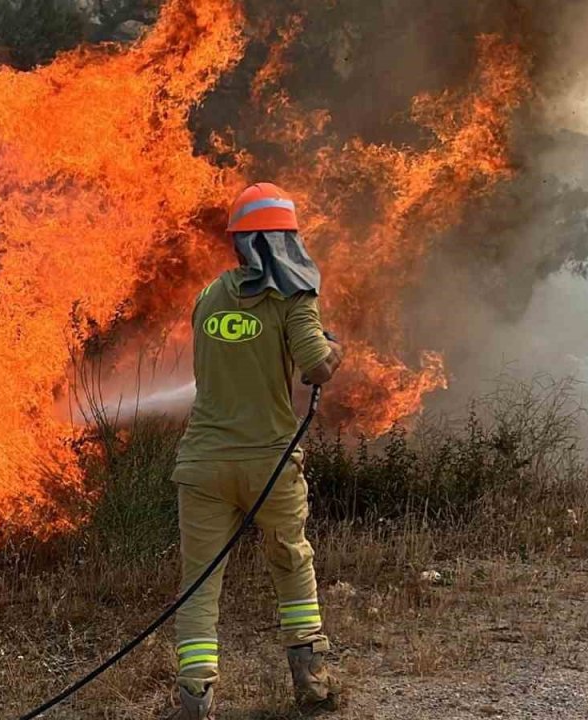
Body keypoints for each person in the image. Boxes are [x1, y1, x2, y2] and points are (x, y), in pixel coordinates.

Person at [164, 183, 345, 719]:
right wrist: (333, 349)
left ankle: (195, 698)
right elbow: (314, 364)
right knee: (291, 561)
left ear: (239, 242)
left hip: (202, 464)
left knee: (199, 582)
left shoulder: (208, 296)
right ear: (285, 240)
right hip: (268, 462)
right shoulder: (293, 298)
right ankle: (312, 681)